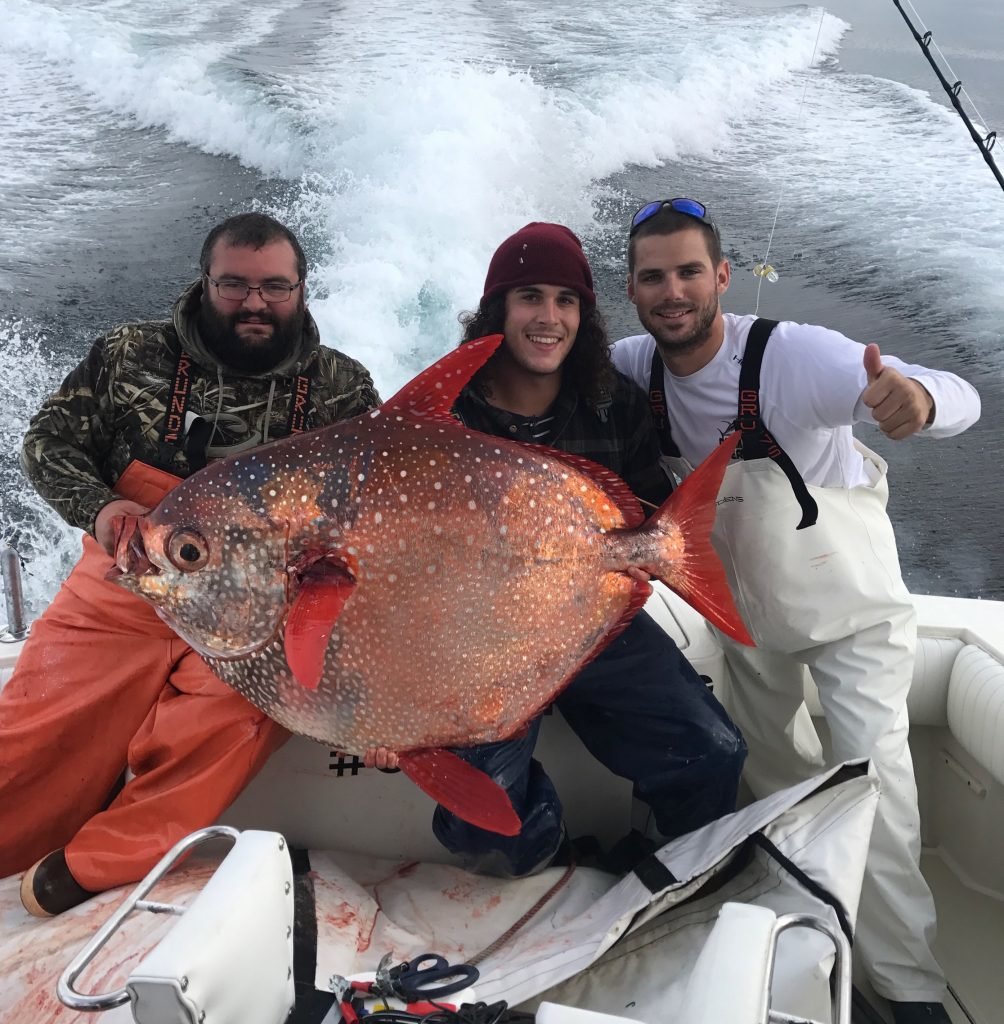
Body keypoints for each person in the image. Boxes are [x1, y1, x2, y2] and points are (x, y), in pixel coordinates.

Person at [611, 198, 981, 1024]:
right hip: (747, 620)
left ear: (722, 278)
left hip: (853, 614)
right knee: (767, 772)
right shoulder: (630, 368)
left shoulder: (795, 358)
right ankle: (803, 932)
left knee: (870, 784)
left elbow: (963, 395)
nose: (673, 291)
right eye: (653, 276)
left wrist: (916, 397)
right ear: (631, 290)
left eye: (689, 272)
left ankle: (909, 985)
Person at [1, 212, 379, 916]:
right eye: (234, 284)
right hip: (131, 575)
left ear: (302, 289)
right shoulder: (127, 355)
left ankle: (92, 865)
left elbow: (369, 514)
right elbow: (48, 442)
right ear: (205, 282)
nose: (255, 303)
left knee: (227, 727)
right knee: (33, 733)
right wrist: (104, 509)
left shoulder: (343, 389)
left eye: (275, 286)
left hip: (265, 598)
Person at [422, 221, 746, 878]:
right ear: (497, 310)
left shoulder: (613, 405)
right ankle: (550, 851)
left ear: (585, 315)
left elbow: (653, 514)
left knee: (717, 751)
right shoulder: (444, 416)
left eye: (566, 301)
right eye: (529, 297)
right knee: (480, 821)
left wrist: (645, 557)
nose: (549, 318)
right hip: (479, 644)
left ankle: (664, 868)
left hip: (590, 620)